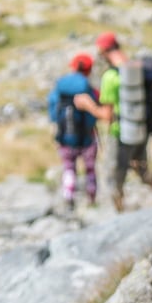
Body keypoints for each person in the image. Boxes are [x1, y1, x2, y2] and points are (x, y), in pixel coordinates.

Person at [96, 31, 152, 212]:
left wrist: (87, 106)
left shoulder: (110, 77)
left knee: (115, 174)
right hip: (141, 129)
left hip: (120, 133)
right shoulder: (136, 70)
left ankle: (120, 210)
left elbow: (107, 115)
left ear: (104, 52)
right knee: (141, 167)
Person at [48, 52, 109, 208]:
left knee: (69, 168)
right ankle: (92, 198)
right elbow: (99, 108)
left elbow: (53, 112)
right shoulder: (88, 88)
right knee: (90, 168)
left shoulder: (60, 87)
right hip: (88, 137)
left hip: (65, 137)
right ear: (89, 69)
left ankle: (68, 196)